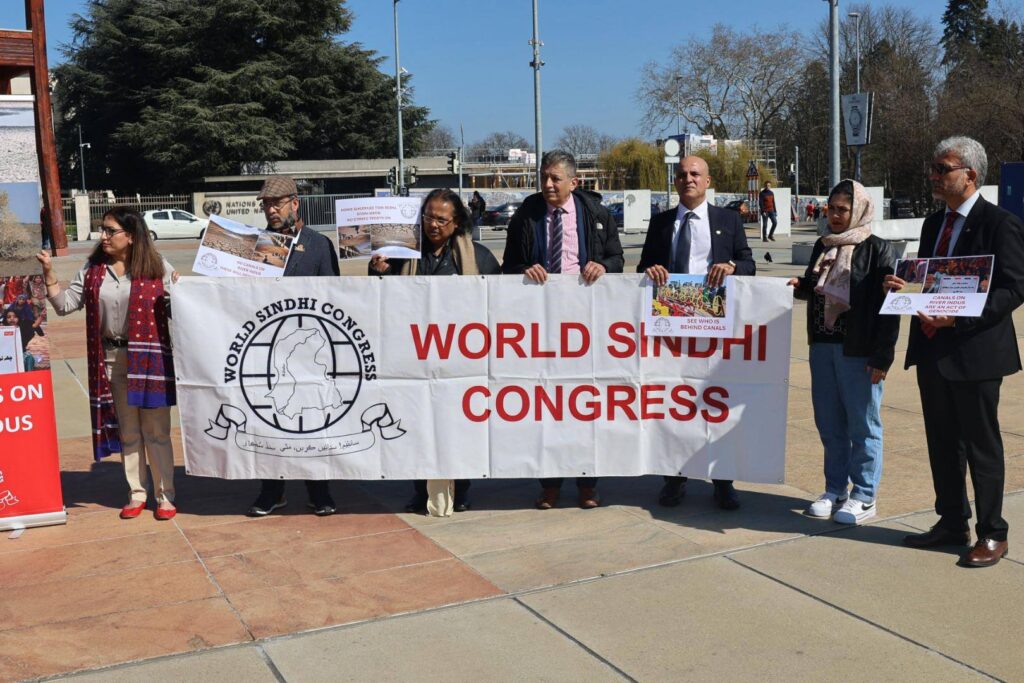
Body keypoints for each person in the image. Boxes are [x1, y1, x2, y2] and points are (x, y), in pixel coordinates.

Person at [885, 136, 1024, 567]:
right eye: (934, 168)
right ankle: (951, 521)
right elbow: (930, 282)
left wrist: (958, 320)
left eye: (942, 169)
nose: (934, 176)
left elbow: (1014, 288)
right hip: (931, 350)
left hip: (976, 351)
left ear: (970, 175)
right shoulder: (932, 224)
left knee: (981, 444)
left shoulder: (1000, 223)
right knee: (942, 443)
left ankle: (992, 533)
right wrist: (902, 288)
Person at [501, 150, 623, 509]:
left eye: (555, 178)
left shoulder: (596, 214)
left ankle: (588, 484)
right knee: (547, 404)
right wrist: (525, 270)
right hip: (542, 324)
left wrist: (602, 266)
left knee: (585, 403)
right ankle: (549, 484)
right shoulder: (527, 215)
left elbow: (617, 259)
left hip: (586, 321)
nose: (548, 185)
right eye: (544, 178)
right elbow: (509, 265)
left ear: (574, 182)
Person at [39, 208, 179, 520]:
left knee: (156, 430)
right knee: (129, 431)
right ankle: (136, 493)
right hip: (111, 359)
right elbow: (65, 305)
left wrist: (182, 292)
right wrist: (49, 275)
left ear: (130, 236)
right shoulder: (93, 269)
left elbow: (179, 307)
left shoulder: (156, 267)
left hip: (151, 359)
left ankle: (165, 495)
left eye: (110, 230)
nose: (102, 236)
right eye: (103, 229)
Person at [370, 188, 501, 515]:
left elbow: (498, 301)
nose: (432, 225)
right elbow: (380, 300)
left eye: (441, 219)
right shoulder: (402, 254)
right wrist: (378, 272)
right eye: (427, 216)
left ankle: (462, 489)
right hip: (414, 358)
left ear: (457, 223)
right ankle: (419, 490)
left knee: (457, 430)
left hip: (460, 360)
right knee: (417, 428)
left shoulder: (479, 257)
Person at [637, 155, 755, 510]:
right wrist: (652, 269)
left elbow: (748, 262)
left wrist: (732, 266)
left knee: (716, 404)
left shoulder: (728, 220)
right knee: (675, 405)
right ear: (675, 182)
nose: (688, 179)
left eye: (695, 174)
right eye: (682, 174)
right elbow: (643, 267)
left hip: (714, 328)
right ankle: (674, 478)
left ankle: (723, 481)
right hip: (671, 327)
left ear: (707, 181)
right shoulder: (660, 223)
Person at [788, 179, 898, 524]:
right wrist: (800, 286)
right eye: (830, 208)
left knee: (863, 424)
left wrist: (883, 356)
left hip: (858, 350)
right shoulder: (824, 245)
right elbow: (815, 288)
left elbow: (889, 306)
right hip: (822, 345)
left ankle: (864, 495)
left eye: (842, 209)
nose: (834, 216)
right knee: (830, 423)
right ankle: (835, 488)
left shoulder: (879, 249)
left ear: (859, 210)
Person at [247, 175, 342, 517]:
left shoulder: (318, 244)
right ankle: (272, 490)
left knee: (313, 418)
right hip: (268, 344)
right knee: (271, 420)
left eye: (276, 203)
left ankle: (320, 490)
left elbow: (335, 294)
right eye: (266, 205)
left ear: (295, 203)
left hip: (309, 346)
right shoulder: (257, 243)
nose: (270, 210)